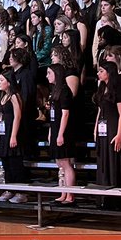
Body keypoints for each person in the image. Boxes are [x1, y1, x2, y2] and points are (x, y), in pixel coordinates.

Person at [93, 59, 121, 189]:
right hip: (102, 127)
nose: (98, 73)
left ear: (109, 72)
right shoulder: (101, 88)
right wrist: (95, 128)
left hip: (114, 126)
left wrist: (119, 134)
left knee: (113, 158)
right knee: (102, 158)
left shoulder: (118, 89)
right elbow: (99, 110)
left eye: (101, 71)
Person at [46, 63, 75, 204]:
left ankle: (70, 194)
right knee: (59, 163)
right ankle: (63, 192)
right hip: (55, 128)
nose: (47, 76)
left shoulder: (64, 91)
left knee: (66, 162)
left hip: (64, 131)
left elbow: (65, 114)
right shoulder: (54, 91)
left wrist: (60, 134)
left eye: (49, 73)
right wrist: (52, 132)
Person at [0, 70, 25, 203]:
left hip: (12, 132)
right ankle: (9, 189)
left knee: (14, 163)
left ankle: (20, 191)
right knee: (5, 162)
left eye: (1, 80)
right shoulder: (2, 97)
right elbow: (0, 117)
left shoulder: (14, 96)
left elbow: (17, 116)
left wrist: (14, 135)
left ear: (9, 82)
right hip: (3, 133)